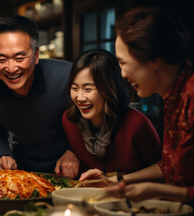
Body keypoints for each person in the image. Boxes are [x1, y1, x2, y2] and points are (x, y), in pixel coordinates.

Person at [81, 7, 194, 203]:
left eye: (123, 63)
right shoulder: (172, 97)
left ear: (153, 60)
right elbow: (168, 164)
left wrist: (157, 191)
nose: (123, 74)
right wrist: (115, 180)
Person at [0, 15, 78, 176]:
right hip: (22, 174)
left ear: (36, 55)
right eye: (1, 59)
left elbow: (93, 121)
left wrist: (74, 151)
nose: (11, 68)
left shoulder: (68, 77)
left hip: (71, 171)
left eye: (19, 58)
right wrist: (3, 154)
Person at [63, 49, 161, 176]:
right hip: (88, 194)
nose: (80, 97)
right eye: (74, 88)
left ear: (108, 88)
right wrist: (70, 153)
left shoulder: (137, 123)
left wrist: (116, 180)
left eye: (88, 89)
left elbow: (163, 169)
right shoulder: (69, 120)